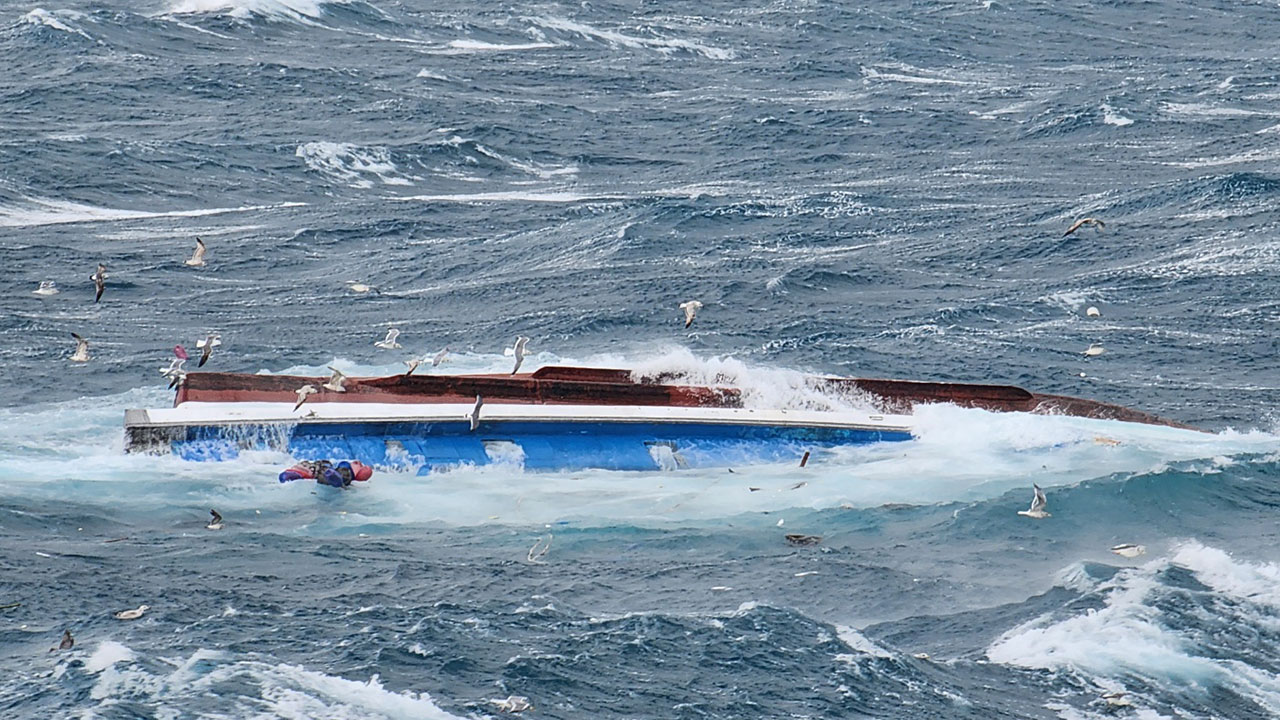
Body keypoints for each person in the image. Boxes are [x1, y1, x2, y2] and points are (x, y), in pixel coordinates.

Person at [279, 459, 373, 488]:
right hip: (323, 473)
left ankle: (337, 480)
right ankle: (337, 480)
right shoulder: (297, 472)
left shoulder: (347, 467)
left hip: (333, 474)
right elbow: (284, 477)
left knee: (342, 469)